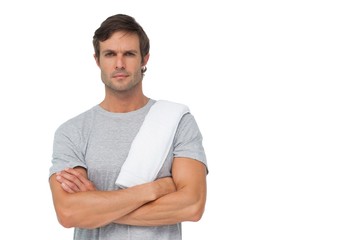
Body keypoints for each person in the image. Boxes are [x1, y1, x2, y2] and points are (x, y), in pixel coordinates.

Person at [49, 13, 208, 240]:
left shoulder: (177, 121)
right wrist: (154, 190)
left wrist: (97, 205)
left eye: (130, 54)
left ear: (145, 59)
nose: (120, 64)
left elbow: (192, 206)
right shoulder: (72, 131)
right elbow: (69, 212)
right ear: (97, 60)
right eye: (110, 54)